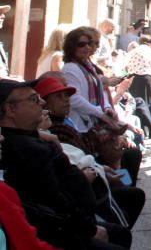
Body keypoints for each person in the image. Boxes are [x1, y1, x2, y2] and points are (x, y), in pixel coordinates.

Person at [0, 78, 131, 249]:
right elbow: (52, 200)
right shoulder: (25, 148)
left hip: (73, 221)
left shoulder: (32, 138)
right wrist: (87, 228)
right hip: (65, 230)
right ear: (10, 109)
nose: (42, 103)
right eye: (33, 99)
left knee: (121, 229)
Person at [61, 28, 123, 133]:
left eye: (89, 44)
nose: (87, 47)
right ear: (72, 47)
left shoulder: (88, 67)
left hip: (91, 123)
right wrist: (99, 113)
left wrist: (107, 108)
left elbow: (99, 90)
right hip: (79, 125)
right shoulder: (70, 68)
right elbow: (74, 99)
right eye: (81, 44)